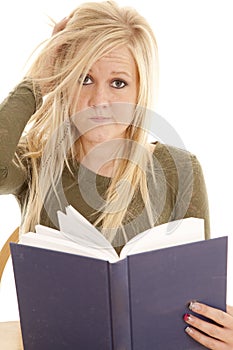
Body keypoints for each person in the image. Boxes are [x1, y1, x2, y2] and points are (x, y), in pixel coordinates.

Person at [0, 1, 232, 348]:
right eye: (85, 78)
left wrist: (219, 335)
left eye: (119, 83)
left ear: (140, 91)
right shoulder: (37, 164)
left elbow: (193, 308)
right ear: (63, 83)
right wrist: (35, 83)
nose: (99, 100)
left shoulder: (179, 170)